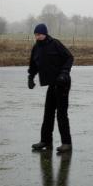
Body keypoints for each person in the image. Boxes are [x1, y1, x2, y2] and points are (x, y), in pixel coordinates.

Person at [28, 23, 74, 153]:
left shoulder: (55, 44)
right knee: (48, 113)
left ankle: (66, 143)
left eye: (39, 34)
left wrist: (64, 73)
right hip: (52, 84)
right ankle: (46, 140)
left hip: (63, 83)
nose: (37, 37)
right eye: (35, 35)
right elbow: (33, 64)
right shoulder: (36, 48)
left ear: (45, 33)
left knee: (61, 114)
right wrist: (31, 77)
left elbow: (69, 58)